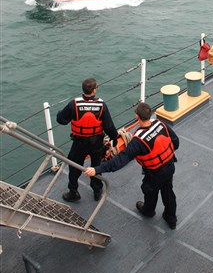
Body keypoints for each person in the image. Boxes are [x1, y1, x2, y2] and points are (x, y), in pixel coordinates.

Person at [85, 102, 179, 230]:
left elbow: (119, 161)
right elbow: (175, 141)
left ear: (137, 117)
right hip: (169, 166)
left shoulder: (138, 141)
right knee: (168, 192)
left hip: (154, 173)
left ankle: (148, 211)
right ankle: (171, 219)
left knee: (150, 191)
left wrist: (97, 169)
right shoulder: (161, 124)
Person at [56, 78, 118, 202]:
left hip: (79, 143)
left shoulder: (73, 104)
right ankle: (97, 191)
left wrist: (59, 113)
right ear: (94, 90)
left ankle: (73, 192)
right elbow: (109, 126)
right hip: (96, 143)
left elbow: (61, 120)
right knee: (96, 167)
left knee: (74, 167)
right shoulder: (101, 105)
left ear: (83, 90)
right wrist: (114, 138)